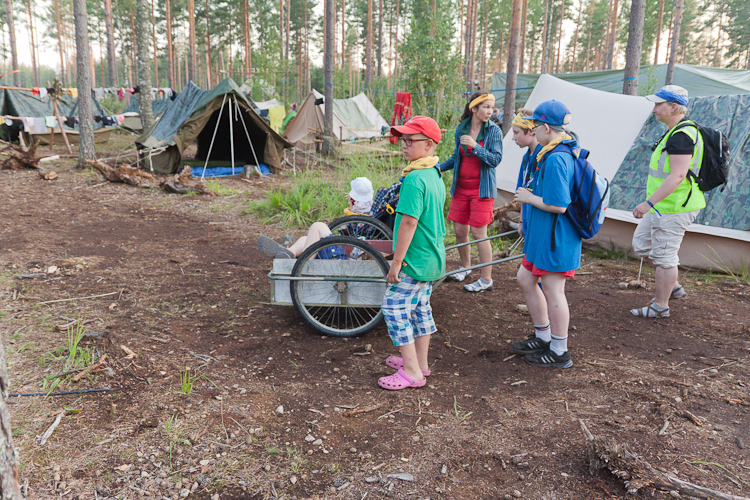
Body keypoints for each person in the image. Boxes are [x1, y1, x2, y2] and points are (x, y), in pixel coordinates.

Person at [510, 100, 580, 369]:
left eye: (536, 126)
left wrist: (529, 198)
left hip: (556, 237)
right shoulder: (549, 153)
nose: (534, 131)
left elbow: (560, 205)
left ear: (546, 128)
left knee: (553, 290)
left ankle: (560, 351)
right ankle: (543, 336)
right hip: (542, 234)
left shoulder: (557, 158)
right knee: (525, 278)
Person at [379, 116, 446, 390]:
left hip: (414, 259)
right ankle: (420, 362)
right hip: (431, 257)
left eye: (410, 140)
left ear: (428, 144)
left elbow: (408, 222)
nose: (404, 145)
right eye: (402, 140)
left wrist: (396, 262)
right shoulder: (434, 173)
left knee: (393, 307)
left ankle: (411, 372)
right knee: (420, 309)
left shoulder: (415, 179)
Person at [630, 85, 704, 318]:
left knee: (664, 257)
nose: (654, 109)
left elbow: (678, 175)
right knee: (642, 245)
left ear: (673, 107)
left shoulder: (682, 136)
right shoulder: (674, 131)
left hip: (674, 207)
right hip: (663, 205)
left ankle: (660, 306)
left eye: (658, 105)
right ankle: (673, 285)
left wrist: (648, 203)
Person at [440, 91, 503, 292]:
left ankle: (486, 279)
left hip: (482, 190)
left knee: (478, 233)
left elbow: (495, 160)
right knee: (460, 231)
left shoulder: (493, 131)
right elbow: (456, 157)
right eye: (486, 107)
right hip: (461, 188)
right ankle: (466, 267)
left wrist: (476, 147)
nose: (490, 111)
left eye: (492, 107)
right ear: (474, 108)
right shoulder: (462, 128)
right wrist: (437, 168)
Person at [256, 177, 373, 259]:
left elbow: (353, 216)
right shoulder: (371, 208)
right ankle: (288, 253)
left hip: (340, 258)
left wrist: (351, 204)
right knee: (305, 239)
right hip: (344, 252)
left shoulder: (358, 212)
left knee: (318, 226)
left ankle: (303, 261)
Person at [511, 108, 542, 238]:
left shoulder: (544, 156)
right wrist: (522, 221)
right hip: (528, 220)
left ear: (531, 131)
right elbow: (522, 192)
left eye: (516, 132)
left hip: (540, 222)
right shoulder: (526, 157)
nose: (513, 138)